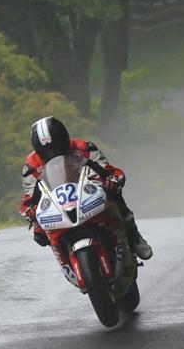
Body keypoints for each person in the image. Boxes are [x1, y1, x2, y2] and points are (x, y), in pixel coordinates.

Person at [19, 117, 153, 275]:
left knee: (114, 192)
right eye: (47, 151)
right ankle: (64, 260)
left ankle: (134, 236)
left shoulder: (84, 148)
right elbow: (28, 198)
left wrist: (114, 178)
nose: (53, 152)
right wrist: (29, 210)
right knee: (39, 234)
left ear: (65, 139)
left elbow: (109, 170)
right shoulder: (31, 166)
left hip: (87, 192)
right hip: (57, 202)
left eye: (57, 147)